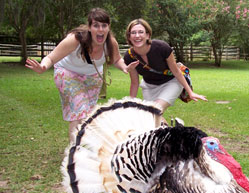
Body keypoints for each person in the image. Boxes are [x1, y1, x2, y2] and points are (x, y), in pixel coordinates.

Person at [25, 8, 138, 143]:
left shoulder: (110, 43)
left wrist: (125, 67)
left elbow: (116, 59)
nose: (100, 29)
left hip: (92, 78)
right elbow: (51, 57)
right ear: (89, 27)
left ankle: (81, 144)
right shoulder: (75, 40)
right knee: (79, 110)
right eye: (96, 25)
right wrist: (42, 67)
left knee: (87, 115)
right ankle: (75, 152)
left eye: (104, 25)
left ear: (108, 27)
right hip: (67, 73)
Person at [123, 18, 207, 113]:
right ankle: (169, 127)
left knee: (154, 110)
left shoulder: (161, 47)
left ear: (147, 35)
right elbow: (134, 82)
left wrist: (190, 92)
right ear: (129, 37)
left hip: (171, 82)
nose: (137, 36)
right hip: (149, 86)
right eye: (133, 33)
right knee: (152, 116)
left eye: (141, 32)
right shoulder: (129, 56)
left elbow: (176, 71)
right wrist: (131, 102)